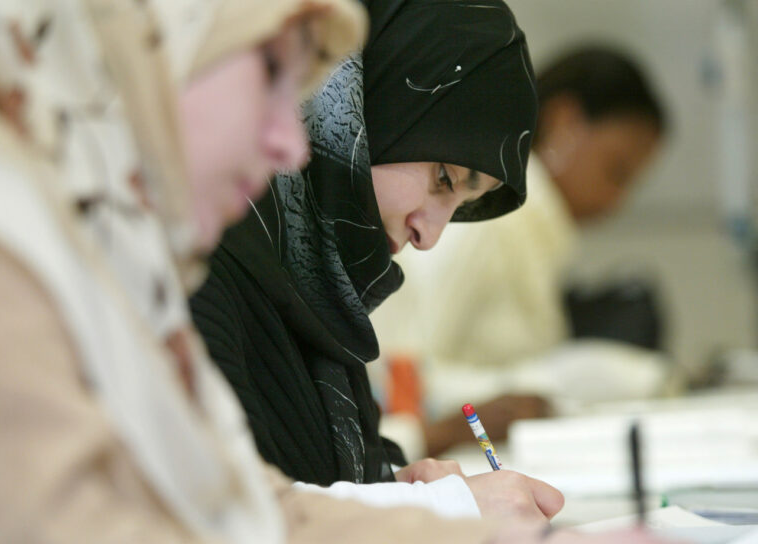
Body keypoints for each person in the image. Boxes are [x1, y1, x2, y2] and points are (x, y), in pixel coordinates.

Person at [189, 0, 562, 513]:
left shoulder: (315, 299)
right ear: (370, 104)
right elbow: (218, 513)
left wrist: (397, 487)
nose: (429, 234)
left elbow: (315, 483)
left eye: (458, 206)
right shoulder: (199, 266)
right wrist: (442, 512)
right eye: (445, 180)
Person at [370, 46, 669, 458]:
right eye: (615, 171)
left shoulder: (544, 230)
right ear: (565, 121)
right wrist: (545, 383)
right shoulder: (491, 211)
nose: (618, 200)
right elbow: (404, 374)